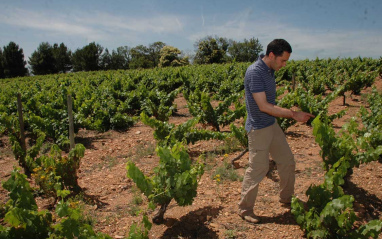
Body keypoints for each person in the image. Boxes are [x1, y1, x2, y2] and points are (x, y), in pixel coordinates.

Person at [238, 39, 314, 224]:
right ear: (271, 55)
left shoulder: (270, 70)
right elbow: (263, 106)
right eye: (283, 60)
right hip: (259, 128)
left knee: (287, 161)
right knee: (258, 168)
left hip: (271, 124)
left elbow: (270, 104)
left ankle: (286, 198)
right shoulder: (255, 72)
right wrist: (293, 114)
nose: (284, 65)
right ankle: (245, 209)